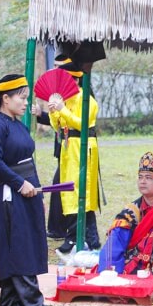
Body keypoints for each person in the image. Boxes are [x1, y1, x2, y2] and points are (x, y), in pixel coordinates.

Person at [0, 74, 60, 306]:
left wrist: (37, 191)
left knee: (24, 241)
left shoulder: (18, 124)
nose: (26, 103)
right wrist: (19, 184)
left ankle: (9, 303)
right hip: (10, 193)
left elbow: (28, 160)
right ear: (5, 99)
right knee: (19, 244)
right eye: (21, 97)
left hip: (28, 190)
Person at [47, 60, 101, 253]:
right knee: (68, 190)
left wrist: (62, 109)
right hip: (67, 147)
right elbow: (58, 126)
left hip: (83, 147)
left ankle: (82, 237)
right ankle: (80, 235)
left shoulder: (87, 100)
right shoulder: (65, 99)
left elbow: (83, 124)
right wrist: (54, 112)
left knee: (82, 189)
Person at [98, 152, 153, 277]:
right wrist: (109, 273)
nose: (143, 181)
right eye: (140, 177)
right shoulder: (131, 211)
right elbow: (114, 242)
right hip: (132, 267)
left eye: (148, 177)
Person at [33, 53, 72, 239]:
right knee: (59, 184)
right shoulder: (59, 92)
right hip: (62, 147)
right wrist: (41, 114)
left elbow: (72, 121)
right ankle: (58, 228)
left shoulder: (76, 91)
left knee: (61, 185)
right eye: (54, 67)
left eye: (60, 68)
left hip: (75, 147)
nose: (55, 71)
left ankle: (62, 229)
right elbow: (57, 122)